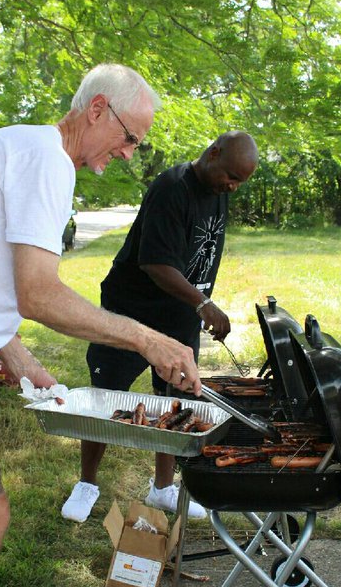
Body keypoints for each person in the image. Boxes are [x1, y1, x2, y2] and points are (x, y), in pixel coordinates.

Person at [0, 63, 201, 587]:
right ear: (97, 110)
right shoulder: (45, 160)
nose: (128, 154)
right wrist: (148, 339)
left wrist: (18, 358)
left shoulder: (27, 151)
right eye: (129, 138)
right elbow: (38, 293)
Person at [62, 132, 260, 523]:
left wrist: (197, 305)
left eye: (240, 181)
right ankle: (87, 483)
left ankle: (163, 488)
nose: (233, 187)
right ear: (213, 153)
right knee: (107, 395)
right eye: (231, 177)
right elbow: (155, 263)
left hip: (179, 315)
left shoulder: (219, 190)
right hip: (131, 312)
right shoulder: (171, 189)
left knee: (176, 398)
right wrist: (203, 303)